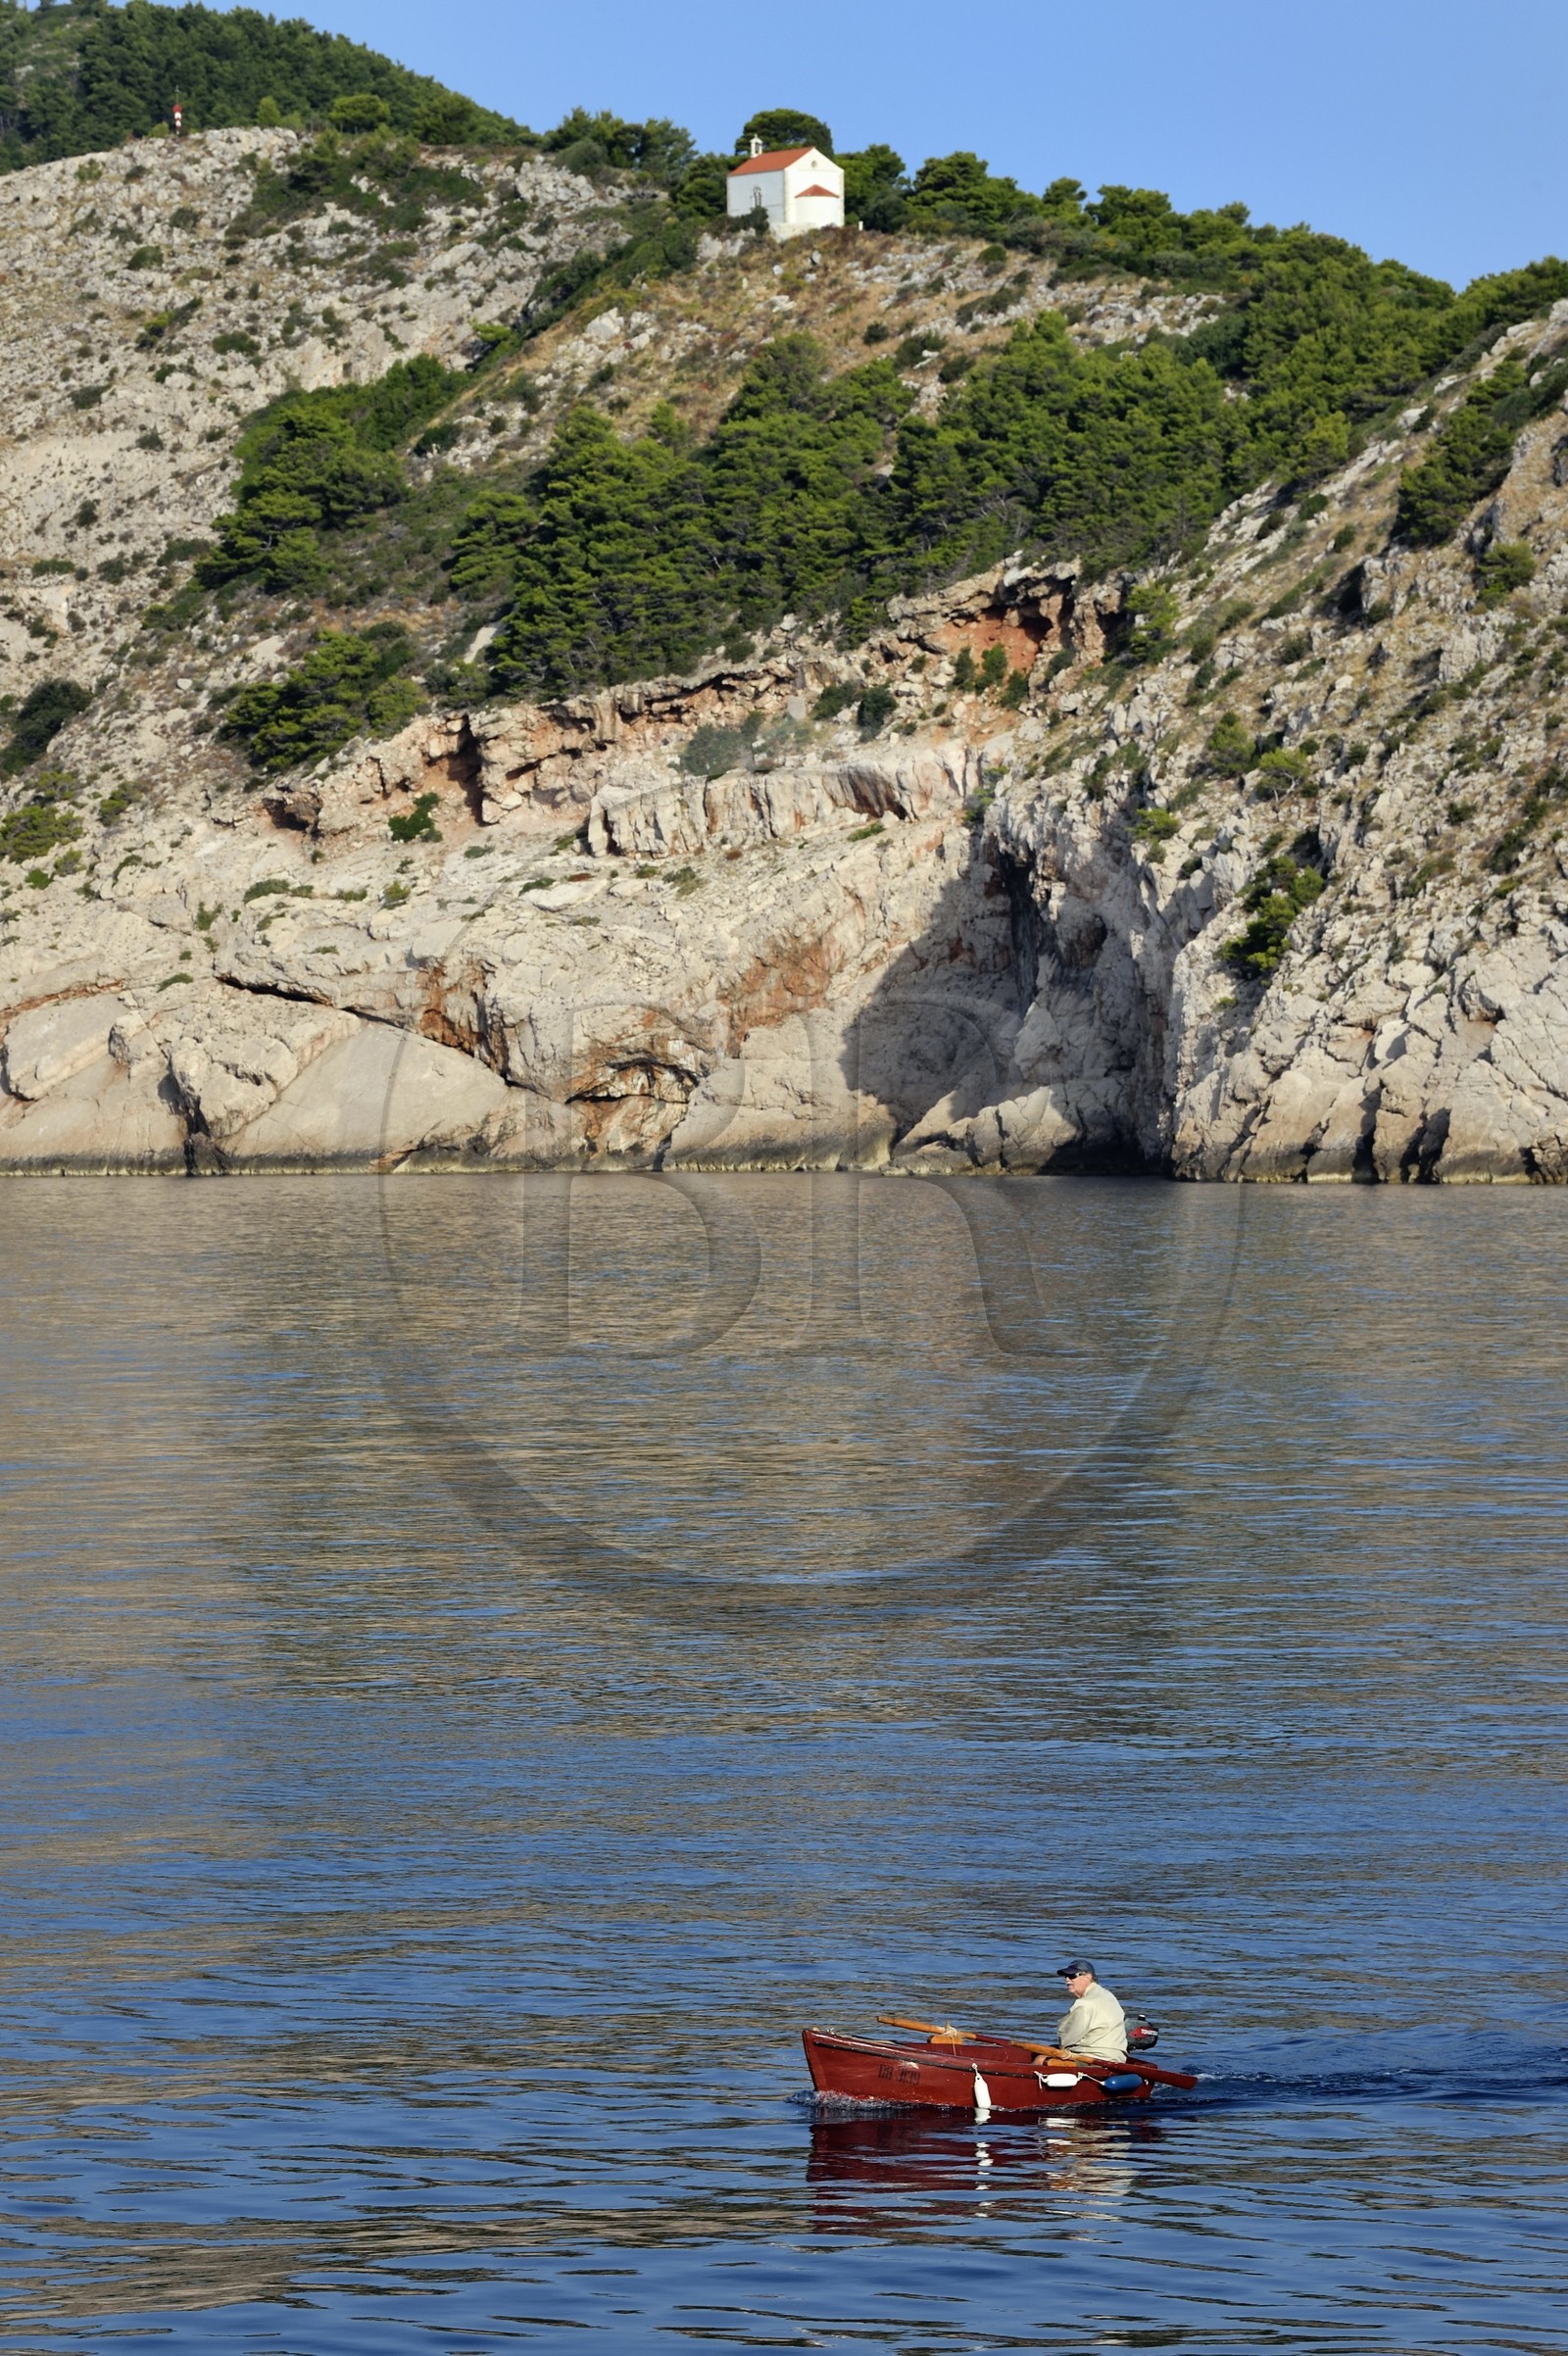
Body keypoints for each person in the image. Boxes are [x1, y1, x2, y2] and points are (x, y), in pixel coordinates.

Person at [1054, 1958, 1127, 2062]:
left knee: (1040, 2059)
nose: (1067, 1979)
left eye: (1072, 1976)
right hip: (1117, 2056)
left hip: (1094, 2057)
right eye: (1066, 1976)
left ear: (1088, 1977)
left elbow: (1066, 2040)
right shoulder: (1108, 1995)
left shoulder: (1084, 2003)